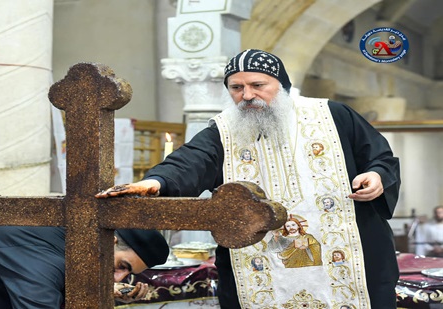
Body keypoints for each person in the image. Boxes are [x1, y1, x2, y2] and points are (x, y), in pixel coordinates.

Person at [96, 49, 400, 308]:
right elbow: (190, 162)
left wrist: (376, 177)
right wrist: (156, 183)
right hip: (260, 268)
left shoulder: (332, 114)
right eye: (236, 87)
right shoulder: (224, 130)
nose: (247, 95)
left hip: (348, 258)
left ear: (281, 84)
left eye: (258, 85)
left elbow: (380, 158)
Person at [0, 226, 169, 308]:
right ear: (112, 238)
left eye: (128, 273)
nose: (120, 276)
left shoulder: (74, 238)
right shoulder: (45, 259)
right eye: (121, 265)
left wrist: (104, 290)